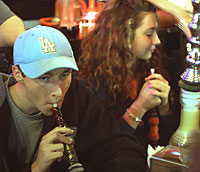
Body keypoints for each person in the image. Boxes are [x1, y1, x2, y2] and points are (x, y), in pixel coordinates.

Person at [0, 25, 147, 172]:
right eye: (44, 77)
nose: (57, 91)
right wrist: (37, 168)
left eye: (64, 75)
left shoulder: (74, 93)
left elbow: (119, 146)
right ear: (18, 74)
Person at [76, 0, 178, 151]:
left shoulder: (150, 67)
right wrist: (139, 108)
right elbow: (101, 147)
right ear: (125, 36)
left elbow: (171, 142)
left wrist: (165, 108)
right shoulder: (91, 83)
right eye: (149, 34)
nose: (157, 40)